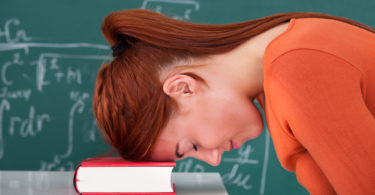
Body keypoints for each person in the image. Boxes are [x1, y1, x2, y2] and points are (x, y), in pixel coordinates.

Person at [92, 9, 375, 194]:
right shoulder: (279, 72)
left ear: (183, 88)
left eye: (192, 146)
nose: (214, 160)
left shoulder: (295, 69)